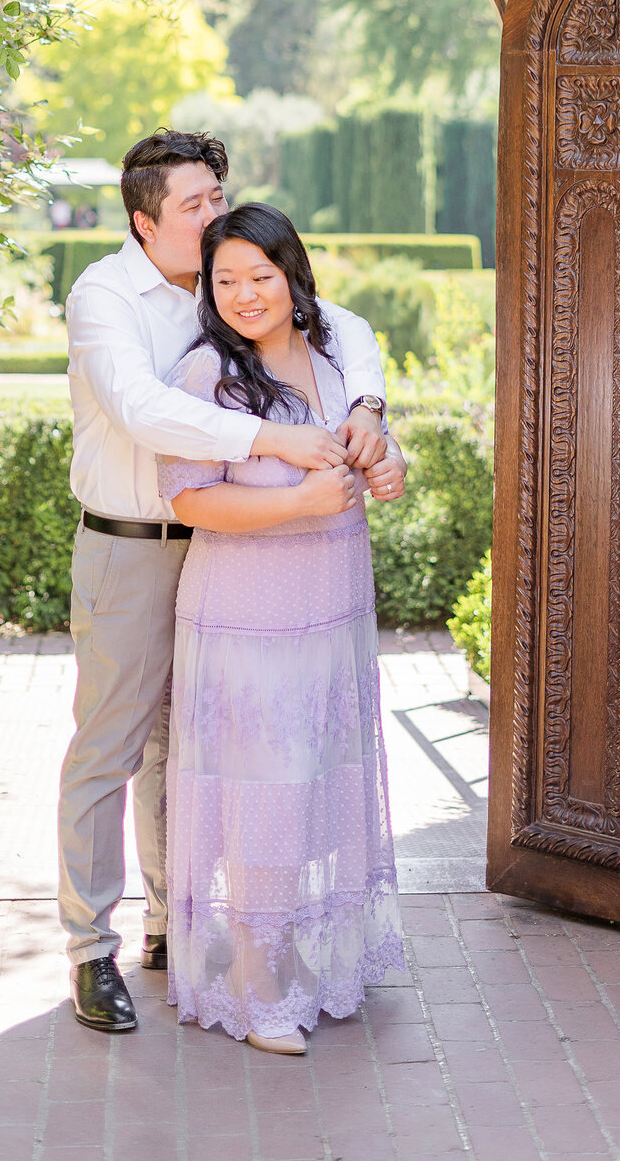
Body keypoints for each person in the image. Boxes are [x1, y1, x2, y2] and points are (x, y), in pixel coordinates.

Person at [58, 129, 403, 1035]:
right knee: (115, 745)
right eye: (196, 204)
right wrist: (272, 442)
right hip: (137, 541)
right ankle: (89, 947)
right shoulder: (105, 295)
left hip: (230, 556)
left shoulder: (233, 280)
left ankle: (178, 920)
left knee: (199, 746)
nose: (215, 214)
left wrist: (366, 408)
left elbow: (347, 330)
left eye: (219, 194)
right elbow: (143, 408)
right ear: (144, 221)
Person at [158, 203, 407, 1056]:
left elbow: (379, 451)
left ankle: (292, 946)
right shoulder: (204, 377)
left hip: (330, 612)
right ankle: (255, 984)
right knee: (260, 794)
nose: (243, 294)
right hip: (247, 619)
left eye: (259, 275)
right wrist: (296, 499)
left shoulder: (335, 354)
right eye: (224, 280)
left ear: (293, 274)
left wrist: (386, 463)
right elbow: (189, 498)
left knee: (308, 787)